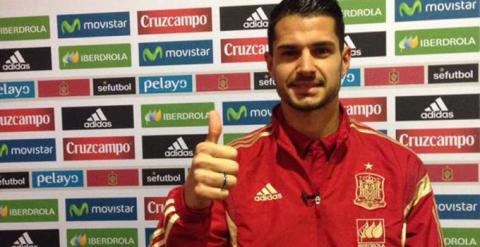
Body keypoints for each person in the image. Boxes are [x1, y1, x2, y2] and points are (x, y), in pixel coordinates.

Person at [149, 0, 444, 246]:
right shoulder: (229, 171)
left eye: (321, 51)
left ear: (344, 60)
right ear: (270, 65)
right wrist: (191, 208)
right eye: (290, 53)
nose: (305, 67)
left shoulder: (401, 166)